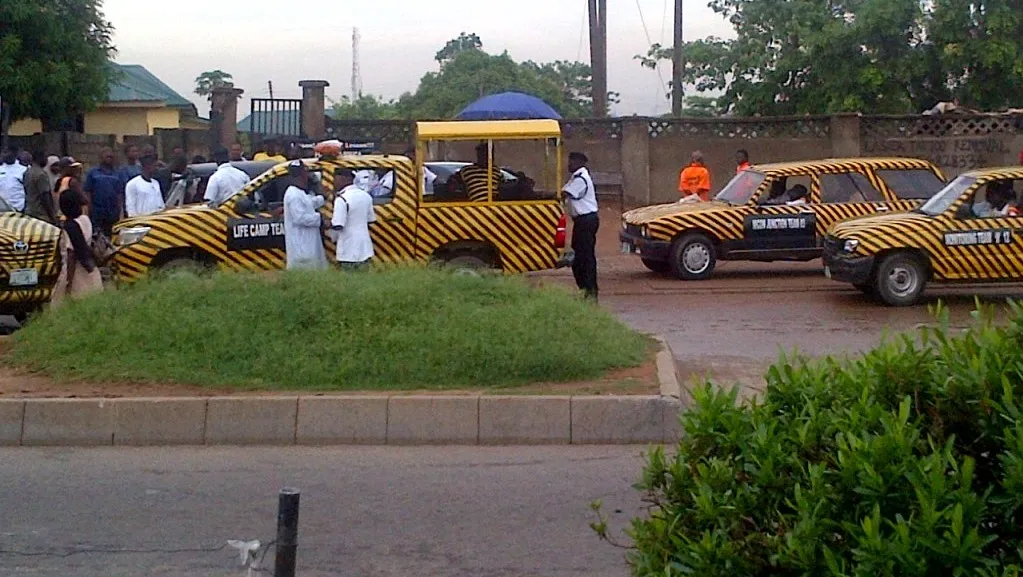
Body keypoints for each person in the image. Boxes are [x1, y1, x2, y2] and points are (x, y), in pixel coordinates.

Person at [50, 189, 103, 305]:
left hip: (76, 277)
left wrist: (68, 284)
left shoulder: (69, 227)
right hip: (91, 272)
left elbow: (71, 255)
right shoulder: (85, 220)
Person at [562, 152, 600, 300]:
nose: (568, 164)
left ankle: (590, 290)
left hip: (586, 220)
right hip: (582, 221)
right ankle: (585, 289)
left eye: (571, 161)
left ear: (579, 162)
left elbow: (564, 194)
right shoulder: (576, 177)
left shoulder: (581, 179)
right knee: (580, 257)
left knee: (585, 257)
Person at [282, 160, 327, 269]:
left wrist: (323, 198)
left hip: (308, 244)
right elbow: (300, 218)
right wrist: (321, 220)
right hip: (301, 247)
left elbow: (309, 203)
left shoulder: (300, 192)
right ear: (303, 174)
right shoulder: (294, 195)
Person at [331, 168, 377, 270]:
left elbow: (338, 225)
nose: (334, 182)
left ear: (343, 179)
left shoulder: (342, 199)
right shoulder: (366, 196)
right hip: (364, 248)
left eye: (336, 179)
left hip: (348, 249)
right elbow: (371, 219)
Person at [83, 148, 123, 235]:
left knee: (111, 235)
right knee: (97, 235)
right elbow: (88, 192)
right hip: (97, 211)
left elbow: (119, 193)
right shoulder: (93, 173)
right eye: (107, 156)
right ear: (101, 157)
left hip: (112, 212)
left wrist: (119, 210)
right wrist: (89, 208)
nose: (110, 158)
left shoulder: (117, 173)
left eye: (111, 157)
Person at [24, 150, 58, 224]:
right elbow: (45, 196)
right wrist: (52, 216)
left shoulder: (27, 172)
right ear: (40, 158)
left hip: (30, 212)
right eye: (45, 157)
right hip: (41, 215)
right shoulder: (41, 174)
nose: (46, 160)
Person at [0, 146, 28, 211]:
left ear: (14, 154)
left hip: (19, 208)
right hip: (2, 209)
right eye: (3, 152)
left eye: (7, 152)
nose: (4, 155)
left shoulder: (24, 170)